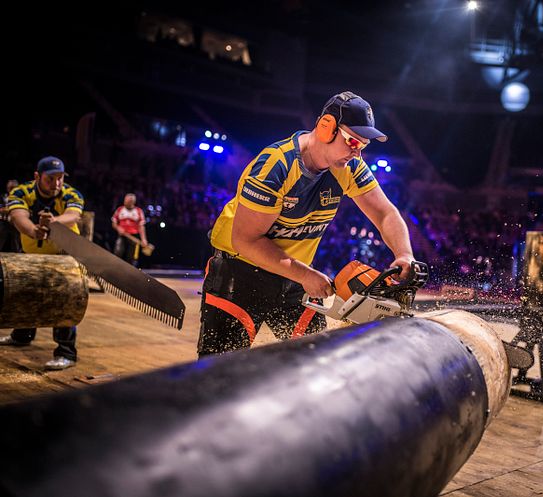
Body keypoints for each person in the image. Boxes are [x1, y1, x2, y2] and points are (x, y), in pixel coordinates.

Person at [198, 91, 415, 357]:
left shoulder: (349, 166)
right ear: (326, 127)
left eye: (363, 145)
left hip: (293, 278)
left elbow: (385, 214)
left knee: (317, 367)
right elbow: (245, 240)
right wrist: (304, 275)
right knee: (218, 373)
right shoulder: (275, 166)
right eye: (352, 142)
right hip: (238, 273)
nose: (356, 153)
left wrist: (404, 254)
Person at [0, 157, 85, 370]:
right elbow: (19, 217)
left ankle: (66, 352)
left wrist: (54, 222)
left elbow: (73, 216)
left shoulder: (71, 193)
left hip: (64, 254)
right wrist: (34, 230)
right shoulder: (21, 192)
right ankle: (22, 335)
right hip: (31, 251)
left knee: (64, 298)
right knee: (27, 292)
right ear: (37, 176)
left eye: (60, 178)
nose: (57, 184)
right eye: (50, 179)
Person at [112, 193, 149, 267]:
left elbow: (141, 227)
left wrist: (144, 239)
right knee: (118, 252)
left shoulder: (139, 211)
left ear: (132, 202)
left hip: (134, 238)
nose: (125, 202)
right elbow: (114, 223)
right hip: (122, 236)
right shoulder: (120, 209)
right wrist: (118, 228)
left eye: (127, 201)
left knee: (131, 258)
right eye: (125, 200)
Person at [0, 179, 21, 252]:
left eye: (13, 188)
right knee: (1, 238)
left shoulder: (20, 198)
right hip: (4, 221)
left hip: (15, 222)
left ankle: (18, 257)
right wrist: (2, 209)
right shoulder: (3, 196)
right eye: (10, 188)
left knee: (16, 242)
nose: (11, 190)